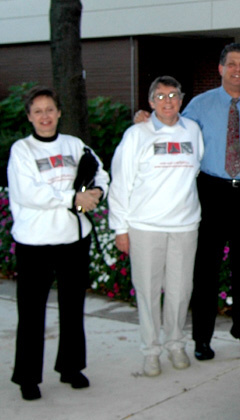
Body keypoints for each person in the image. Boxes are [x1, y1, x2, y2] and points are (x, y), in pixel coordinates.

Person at [134, 43, 240, 359]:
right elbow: (171, 127)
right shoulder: (199, 104)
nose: (237, 69)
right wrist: (146, 118)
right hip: (210, 193)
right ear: (221, 68)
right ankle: (202, 339)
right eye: (231, 63)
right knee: (206, 270)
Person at [7, 86, 109, 401]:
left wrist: (95, 194)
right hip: (34, 244)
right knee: (32, 312)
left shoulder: (74, 145)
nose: (45, 116)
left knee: (72, 308)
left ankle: (70, 367)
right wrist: (73, 198)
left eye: (50, 109)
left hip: (72, 241)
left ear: (59, 112)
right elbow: (29, 193)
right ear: (29, 117)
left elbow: (100, 173)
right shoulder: (22, 151)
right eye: (37, 111)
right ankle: (27, 377)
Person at [109, 76, 204, 377]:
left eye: (173, 95)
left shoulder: (192, 130)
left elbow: (196, 167)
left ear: (181, 99)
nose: (168, 101)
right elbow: (121, 183)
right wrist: (120, 228)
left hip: (184, 225)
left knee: (180, 291)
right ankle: (151, 350)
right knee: (148, 292)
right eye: (160, 96)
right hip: (145, 226)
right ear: (150, 102)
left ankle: (176, 343)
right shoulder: (137, 135)